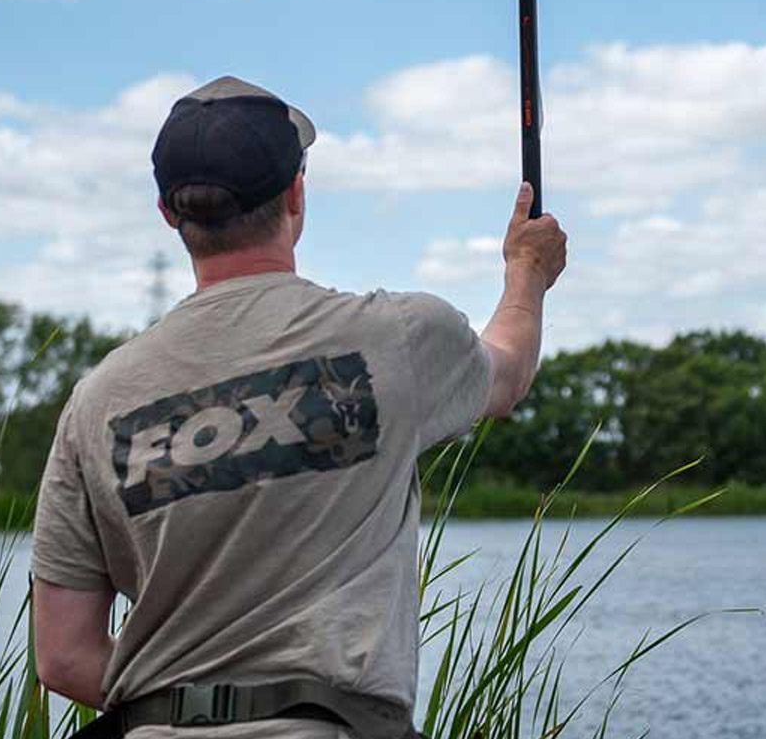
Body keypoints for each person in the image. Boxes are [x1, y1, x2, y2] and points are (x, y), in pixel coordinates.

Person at [30, 75, 567, 738]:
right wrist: (527, 272)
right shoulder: (395, 338)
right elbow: (507, 373)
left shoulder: (96, 402)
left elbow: (62, 656)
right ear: (294, 192)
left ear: (170, 213)